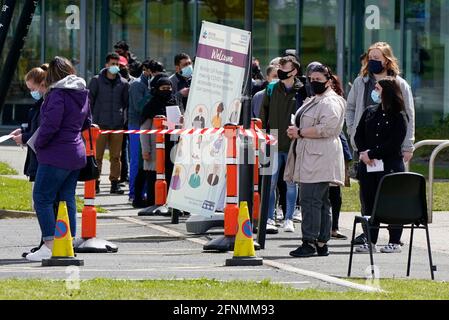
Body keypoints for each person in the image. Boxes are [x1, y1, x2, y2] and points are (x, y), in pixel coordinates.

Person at [345, 41, 415, 245]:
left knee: (391, 192)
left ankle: (394, 237)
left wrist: (408, 144)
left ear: (387, 60)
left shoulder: (399, 84)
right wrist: (352, 131)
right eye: (370, 57)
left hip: (389, 149)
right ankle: (369, 233)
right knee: (367, 192)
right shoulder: (361, 82)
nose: (373, 61)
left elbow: (409, 114)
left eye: (377, 58)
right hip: (365, 146)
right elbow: (350, 108)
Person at [26, 56, 91, 261]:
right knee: (67, 198)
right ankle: (66, 242)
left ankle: (49, 244)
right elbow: (87, 123)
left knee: (42, 198)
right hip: (75, 152)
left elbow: (50, 125)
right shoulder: (82, 93)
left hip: (56, 153)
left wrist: (38, 143)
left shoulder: (57, 94)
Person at [285, 64, 346, 257]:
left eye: (318, 80)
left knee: (311, 200)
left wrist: (300, 132)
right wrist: (296, 131)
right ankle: (320, 242)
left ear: (329, 80)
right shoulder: (317, 99)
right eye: (311, 79)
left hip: (319, 156)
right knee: (319, 201)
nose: (314, 83)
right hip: (311, 154)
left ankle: (310, 242)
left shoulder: (330, 102)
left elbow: (328, 127)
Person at [354, 77, 408, 254]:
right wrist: (364, 153)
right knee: (368, 203)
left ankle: (394, 240)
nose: (374, 92)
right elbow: (358, 135)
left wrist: (372, 153)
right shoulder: (370, 111)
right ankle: (370, 240)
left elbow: (394, 143)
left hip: (389, 165)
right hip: (368, 166)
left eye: (377, 88)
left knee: (391, 202)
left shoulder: (399, 115)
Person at [259, 55, 307, 233]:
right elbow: (263, 113)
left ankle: (289, 218)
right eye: (279, 66)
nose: (280, 70)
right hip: (271, 141)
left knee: (291, 183)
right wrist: (263, 136)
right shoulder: (271, 88)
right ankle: (270, 217)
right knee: (269, 183)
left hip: (293, 142)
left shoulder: (302, 90)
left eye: (284, 67)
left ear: (294, 71)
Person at [9, 64, 49, 256]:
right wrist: (24, 132)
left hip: (43, 158)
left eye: (32, 89)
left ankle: (47, 243)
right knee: (42, 202)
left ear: (42, 84)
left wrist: (24, 138)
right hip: (38, 157)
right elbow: (36, 127)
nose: (31, 93)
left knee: (42, 202)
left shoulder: (47, 103)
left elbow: (42, 131)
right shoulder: (41, 103)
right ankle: (45, 242)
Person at [88, 52, 129, 195]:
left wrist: (123, 120)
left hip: (117, 125)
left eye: (117, 64)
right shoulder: (96, 80)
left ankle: (115, 183)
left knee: (116, 157)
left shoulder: (123, 83)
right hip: (100, 125)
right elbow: (89, 102)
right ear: (106, 65)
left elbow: (125, 104)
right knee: (97, 156)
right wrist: (91, 121)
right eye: (112, 64)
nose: (115, 67)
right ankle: (95, 182)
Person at [139, 74, 179, 206]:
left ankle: (168, 202)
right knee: (153, 176)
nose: (166, 90)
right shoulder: (151, 106)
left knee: (169, 175)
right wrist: (146, 150)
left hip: (172, 146)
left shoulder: (174, 103)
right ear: (157, 89)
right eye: (163, 88)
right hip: (154, 149)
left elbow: (178, 125)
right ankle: (153, 202)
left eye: (169, 87)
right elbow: (144, 130)